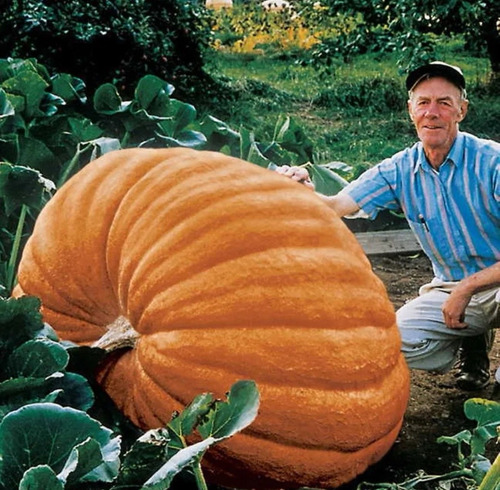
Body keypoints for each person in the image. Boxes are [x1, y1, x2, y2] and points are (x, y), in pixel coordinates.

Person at [277, 61, 500, 390]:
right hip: (450, 289)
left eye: (444, 103)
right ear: (410, 110)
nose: (432, 112)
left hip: (492, 282)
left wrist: (468, 288)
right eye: (423, 103)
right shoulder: (399, 169)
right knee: (385, 347)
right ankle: (470, 338)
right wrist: (303, 190)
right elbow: (338, 206)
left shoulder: (492, 161)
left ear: (462, 111)